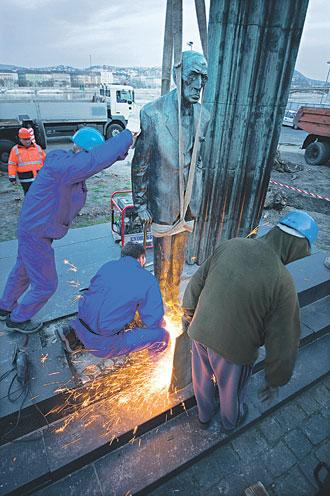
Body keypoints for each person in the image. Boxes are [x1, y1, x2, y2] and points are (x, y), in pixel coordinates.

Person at [182, 211, 318, 432]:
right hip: (234, 350)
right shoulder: (282, 281)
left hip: (199, 331)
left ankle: (203, 416)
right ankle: (229, 422)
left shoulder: (232, 245)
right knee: (230, 390)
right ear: (297, 246)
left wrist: (189, 310)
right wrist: (276, 379)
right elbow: (284, 339)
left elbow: (198, 280)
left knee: (201, 379)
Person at [0, 127, 133, 334]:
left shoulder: (65, 163)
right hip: (36, 233)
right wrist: (125, 137)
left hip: (34, 229)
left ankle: (4, 306)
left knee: (23, 271)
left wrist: (124, 148)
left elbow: (97, 161)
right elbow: (93, 161)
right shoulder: (66, 168)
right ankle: (17, 319)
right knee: (46, 284)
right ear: (85, 151)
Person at [131, 51, 210, 312]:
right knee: (162, 259)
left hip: (188, 204)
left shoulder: (204, 116)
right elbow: (140, 164)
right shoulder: (152, 114)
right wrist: (141, 205)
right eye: (193, 77)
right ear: (179, 76)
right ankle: (158, 305)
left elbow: (198, 160)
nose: (199, 85)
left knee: (179, 259)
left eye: (203, 78)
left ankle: (173, 302)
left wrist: (197, 192)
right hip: (162, 201)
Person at [57, 242, 170, 359]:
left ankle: (73, 336)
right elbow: (154, 321)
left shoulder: (107, 266)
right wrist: (160, 325)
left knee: (103, 314)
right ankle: (154, 363)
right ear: (142, 258)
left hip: (80, 324)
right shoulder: (147, 279)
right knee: (161, 335)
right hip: (105, 345)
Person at [8, 127, 46, 195]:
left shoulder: (37, 148)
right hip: (25, 179)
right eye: (25, 139)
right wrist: (12, 177)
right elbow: (12, 164)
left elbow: (45, 161)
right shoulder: (15, 150)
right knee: (29, 195)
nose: (27, 141)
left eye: (28, 139)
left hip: (39, 177)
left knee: (41, 194)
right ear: (20, 139)